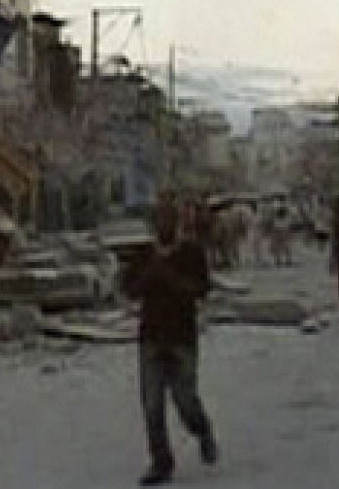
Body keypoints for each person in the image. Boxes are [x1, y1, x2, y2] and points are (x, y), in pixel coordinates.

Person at [126, 199, 220, 486]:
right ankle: (161, 461)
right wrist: (146, 278)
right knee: (152, 404)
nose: (164, 225)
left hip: (181, 336)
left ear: (177, 223)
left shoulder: (191, 253)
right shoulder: (144, 254)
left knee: (185, 399)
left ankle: (202, 429)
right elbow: (129, 289)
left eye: (168, 219)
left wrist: (172, 280)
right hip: (151, 337)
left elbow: (202, 289)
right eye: (159, 220)